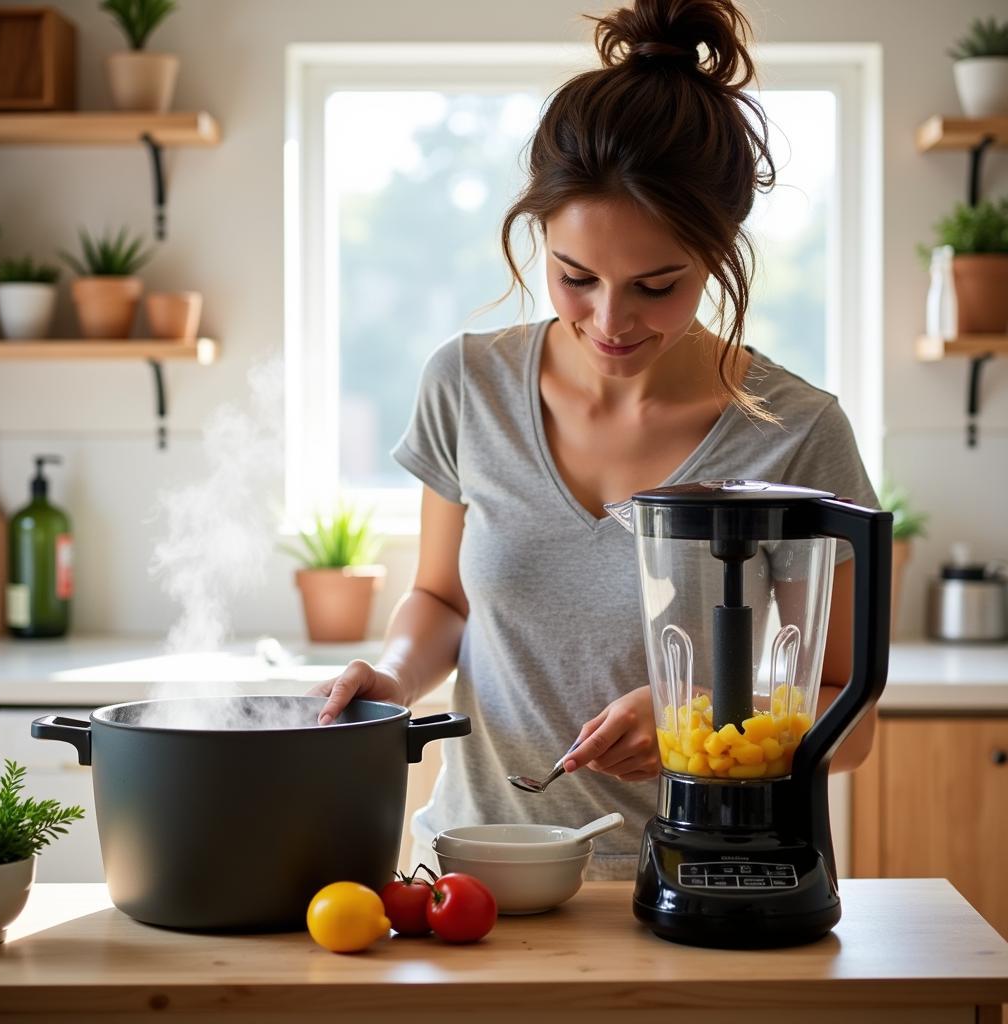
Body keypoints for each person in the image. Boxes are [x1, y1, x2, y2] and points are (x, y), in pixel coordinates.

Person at [307, 0, 879, 880]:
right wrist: (390, 678)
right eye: (576, 277)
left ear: (721, 252)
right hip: (472, 874)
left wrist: (706, 719)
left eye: (657, 285)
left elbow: (850, 717)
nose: (609, 321)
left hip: (708, 887)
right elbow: (443, 601)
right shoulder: (468, 384)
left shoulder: (798, 434)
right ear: (539, 233)